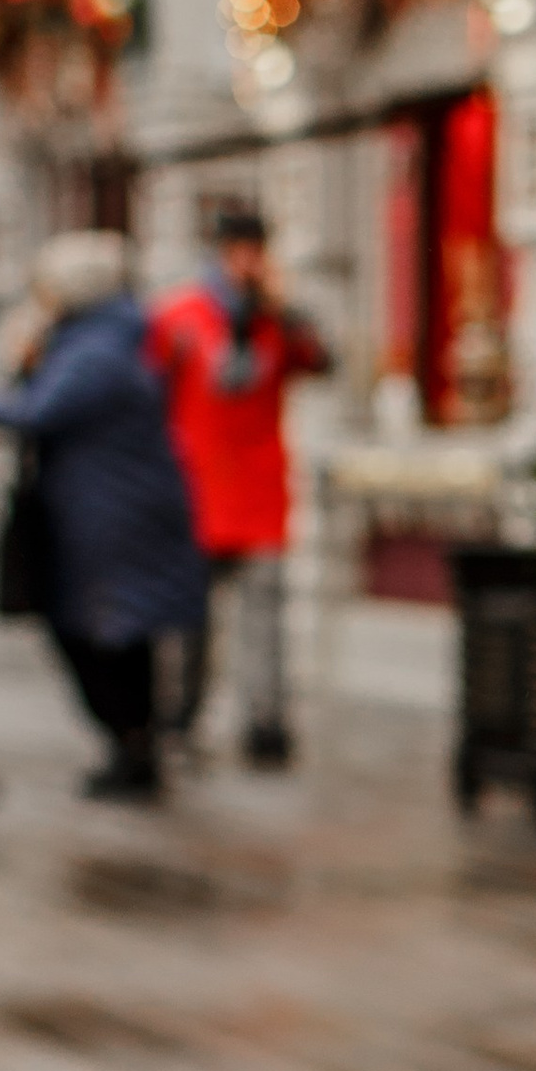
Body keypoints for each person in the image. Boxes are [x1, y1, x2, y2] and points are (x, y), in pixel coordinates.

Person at [0, 228, 210, 802]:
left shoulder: (97, 348)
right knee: (115, 631)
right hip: (113, 506)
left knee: (106, 632)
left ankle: (133, 746)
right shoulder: (106, 337)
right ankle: (133, 746)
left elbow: (38, 412)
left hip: (112, 513)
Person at [147, 200, 329, 768]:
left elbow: (323, 364)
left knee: (265, 619)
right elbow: (150, 390)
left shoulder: (278, 321)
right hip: (196, 491)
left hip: (260, 491)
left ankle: (266, 725)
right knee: (190, 621)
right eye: (237, 253)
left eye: (256, 253)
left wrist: (290, 314)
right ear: (219, 255)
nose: (246, 264)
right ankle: (181, 719)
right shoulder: (181, 316)